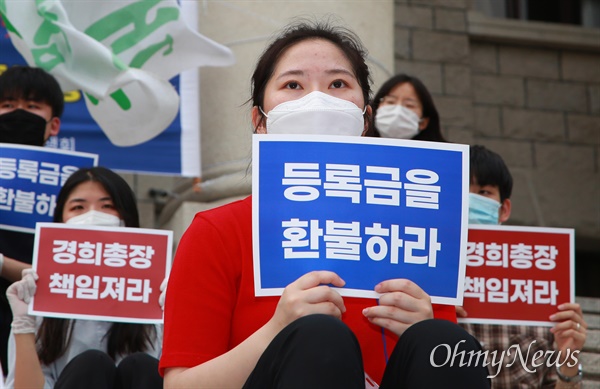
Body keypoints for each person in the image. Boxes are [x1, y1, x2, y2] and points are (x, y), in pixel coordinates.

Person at [160, 20, 490, 388]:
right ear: (260, 121)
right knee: (319, 335)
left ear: (365, 118)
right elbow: (181, 384)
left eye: (338, 84)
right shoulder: (218, 231)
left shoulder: (416, 232)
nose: (317, 99)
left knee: (445, 344)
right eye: (292, 85)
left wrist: (424, 330)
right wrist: (277, 331)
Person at [4, 167, 164, 388]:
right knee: (91, 364)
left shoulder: (159, 294)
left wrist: (176, 315)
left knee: (142, 365)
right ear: (60, 219)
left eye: (107, 206)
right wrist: (23, 325)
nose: (93, 215)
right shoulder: (38, 297)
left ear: (128, 217)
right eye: (78, 207)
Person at [460, 145, 587, 388]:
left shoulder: (540, 287)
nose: (470, 200)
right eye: (462, 191)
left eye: (484, 192)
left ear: (504, 209)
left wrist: (568, 357)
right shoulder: (429, 279)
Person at [0, 65, 64, 374]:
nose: (18, 114)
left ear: (54, 125)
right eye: (8, 105)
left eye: (32, 106)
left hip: (46, 321)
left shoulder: (74, 188)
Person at [368, 73, 446, 141]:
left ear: (423, 122)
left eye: (409, 105)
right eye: (390, 102)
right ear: (376, 110)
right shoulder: (359, 149)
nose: (397, 111)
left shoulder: (444, 156)